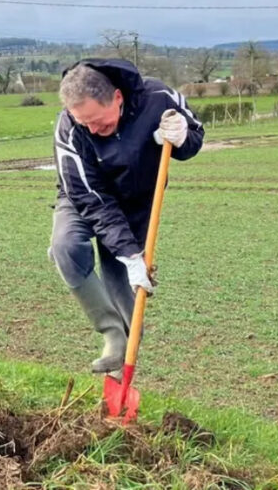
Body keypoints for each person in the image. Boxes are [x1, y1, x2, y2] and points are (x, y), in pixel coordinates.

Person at [50, 58, 204, 374]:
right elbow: (90, 198)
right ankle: (112, 333)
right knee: (65, 247)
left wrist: (182, 137)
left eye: (99, 122)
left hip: (137, 200)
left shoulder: (159, 99)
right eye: (84, 123)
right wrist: (130, 253)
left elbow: (193, 138)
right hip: (85, 197)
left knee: (121, 282)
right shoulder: (68, 127)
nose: (93, 130)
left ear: (117, 98)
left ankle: (123, 369)